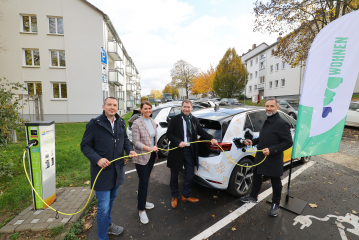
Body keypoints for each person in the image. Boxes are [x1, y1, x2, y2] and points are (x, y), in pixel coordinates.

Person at [81, 97, 137, 240]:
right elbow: (85, 146)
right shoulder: (94, 124)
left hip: (117, 171)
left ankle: (108, 225)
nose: (112, 107)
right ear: (103, 106)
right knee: (103, 208)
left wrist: (129, 150)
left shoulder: (120, 122)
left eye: (115, 105)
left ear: (118, 107)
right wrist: (97, 159)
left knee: (111, 201)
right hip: (102, 173)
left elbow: (125, 140)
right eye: (109, 105)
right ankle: (102, 237)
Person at [240, 98, 293, 217]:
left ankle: (276, 204)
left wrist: (272, 150)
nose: (268, 108)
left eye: (271, 106)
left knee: (275, 181)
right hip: (261, 155)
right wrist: (252, 142)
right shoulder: (267, 119)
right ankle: (253, 196)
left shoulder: (282, 123)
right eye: (267, 106)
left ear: (277, 107)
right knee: (257, 175)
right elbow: (263, 137)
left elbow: (288, 142)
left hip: (273, 157)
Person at [166, 99, 218, 208]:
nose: (186, 109)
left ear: (191, 108)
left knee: (190, 174)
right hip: (177, 150)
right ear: (181, 107)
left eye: (188, 107)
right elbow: (169, 134)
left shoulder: (194, 120)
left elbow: (201, 132)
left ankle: (185, 195)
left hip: (190, 151)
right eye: (184, 107)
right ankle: (174, 196)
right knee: (174, 175)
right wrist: (178, 142)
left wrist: (211, 138)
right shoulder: (175, 119)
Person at [131, 101, 159, 224]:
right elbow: (135, 142)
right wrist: (149, 148)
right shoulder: (137, 123)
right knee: (143, 182)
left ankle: (143, 201)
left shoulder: (153, 122)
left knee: (146, 180)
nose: (148, 110)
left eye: (149, 108)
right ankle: (141, 209)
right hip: (142, 156)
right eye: (145, 108)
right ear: (141, 110)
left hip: (152, 156)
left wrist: (154, 149)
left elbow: (153, 138)